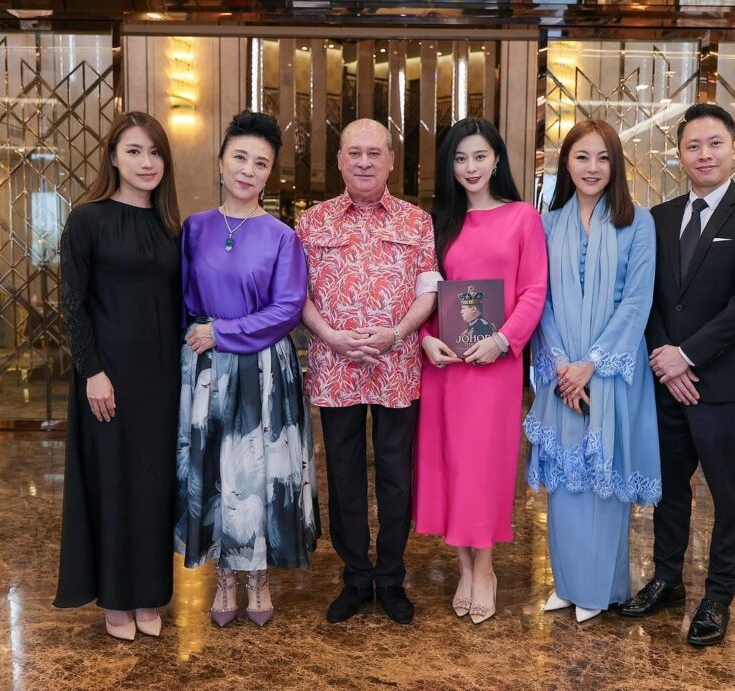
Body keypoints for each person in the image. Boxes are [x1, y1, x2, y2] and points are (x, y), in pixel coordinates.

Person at [618, 103, 735, 647]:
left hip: (723, 385)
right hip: (665, 382)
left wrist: (686, 355)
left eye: (714, 144)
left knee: (730, 495)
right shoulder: (659, 218)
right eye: (693, 146)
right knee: (668, 490)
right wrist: (665, 359)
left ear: (734, 149)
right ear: (680, 155)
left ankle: (718, 594)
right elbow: (646, 298)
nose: (704, 154)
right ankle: (666, 578)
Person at [174, 111, 319, 628]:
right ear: (220, 161)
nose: (248, 170)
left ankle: (258, 578)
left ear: (269, 173)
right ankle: (224, 578)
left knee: (256, 473)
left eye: (261, 163)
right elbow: (183, 301)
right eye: (240, 157)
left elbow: (287, 308)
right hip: (208, 368)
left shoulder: (282, 236)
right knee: (215, 468)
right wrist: (203, 336)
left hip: (262, 368)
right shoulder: (194, 228)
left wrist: (223, 333)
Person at [297, 118, 439, 625]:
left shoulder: (417, 222)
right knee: (345, 475)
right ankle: (356, 577)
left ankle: (392, 577)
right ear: (338, 160)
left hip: (396, 366)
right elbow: (299, 296)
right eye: (353, 153)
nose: (363, 162)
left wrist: (397, 333)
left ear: (390, 160)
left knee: (397, 477)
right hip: (335, 368)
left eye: (373, 153)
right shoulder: (311, 223)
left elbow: (429, 290)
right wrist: (332, 337)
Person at [522, 119, 661, 624]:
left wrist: (590, 365)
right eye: (582, 157)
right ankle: (569, 583)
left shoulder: (637, 223)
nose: (592, 168)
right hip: (561, 374)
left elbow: (636, 301)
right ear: (566, 164)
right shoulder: (548, 223)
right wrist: (561, 364)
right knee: (565, 482)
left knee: (604, 482)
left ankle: (601, 589)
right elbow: (542, 301)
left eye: (603, 157)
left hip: (609, 372)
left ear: (615, 164)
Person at [54, 111, 182, 641]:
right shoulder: (87, 219)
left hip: (163, 379)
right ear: (112, 156)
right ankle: (114, 599)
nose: (146, 162)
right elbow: (71, 302)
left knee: (154, 485)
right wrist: (93, 372)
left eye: (154, 152)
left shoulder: (172, 225)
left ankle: (149, 593)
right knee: (112, 483)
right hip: (108, 378)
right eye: (134, 151)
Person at [415, 117, 547, 624]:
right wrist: (426, 341)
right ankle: (463, 565)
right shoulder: (437, 222)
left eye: (479, 156)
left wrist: (503, 339)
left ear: (497, 160)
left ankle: (484, 569)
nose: (470, 167)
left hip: (494, 366)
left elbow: (534, 289)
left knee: (483, 467)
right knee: (450, 465)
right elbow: (424, 294)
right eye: (459, 158)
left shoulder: (521, 218)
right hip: (445, 368)